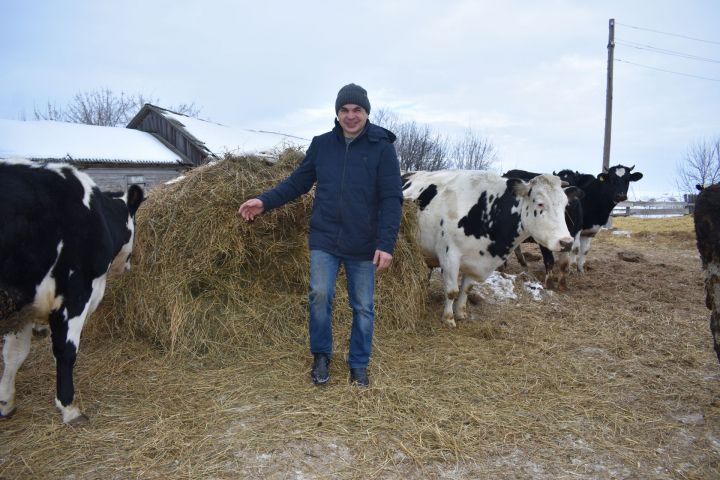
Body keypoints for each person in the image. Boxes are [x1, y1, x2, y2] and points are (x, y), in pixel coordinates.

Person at [238, 83, 402, 387]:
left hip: (364, 242)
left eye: (357, 110)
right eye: (345, 110)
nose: (351, 116)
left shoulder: (381, 148)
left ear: (367, 112)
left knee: (363, 306)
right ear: (337, 113)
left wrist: (385, 243)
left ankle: (359, 364)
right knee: (319, 295)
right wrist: (264, 201)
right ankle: (321, 356)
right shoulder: (322, 145)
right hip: (325, 237)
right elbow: (297, 183)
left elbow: (392, 198)